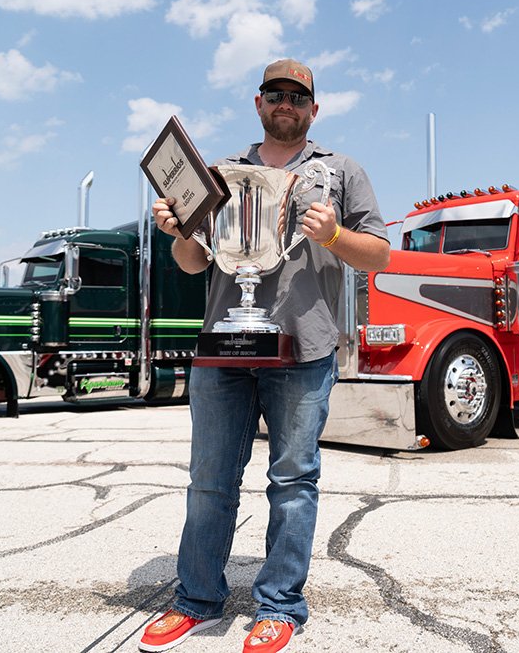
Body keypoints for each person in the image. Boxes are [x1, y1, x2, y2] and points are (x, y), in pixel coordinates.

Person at [140, 59, 390, 653]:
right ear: (258, 103)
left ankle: (279, 605)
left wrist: (331, 235)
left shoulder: (339, 171)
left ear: (313, 109)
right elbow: (195, 263)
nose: (287, 104)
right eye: (276, 94)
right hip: (225, 346)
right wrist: (180, 231)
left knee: (293, 481)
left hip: (304, 346)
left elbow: (377, 255)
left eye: (298, 97)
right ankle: (195, 598)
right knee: (208, 480)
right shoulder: (221, 174)